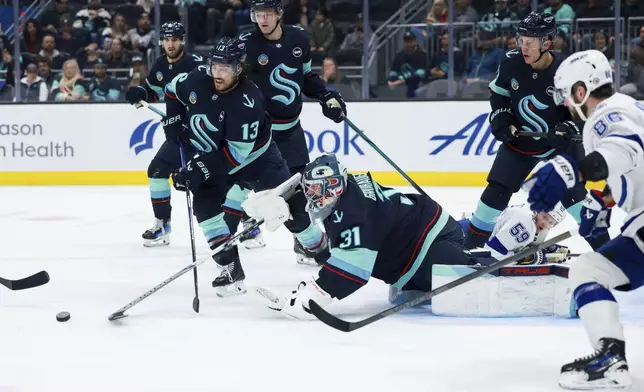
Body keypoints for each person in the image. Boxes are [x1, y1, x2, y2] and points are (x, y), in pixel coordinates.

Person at [164, 37, 328, 297]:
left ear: (239, 68)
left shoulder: (247, 100)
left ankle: (319, 249)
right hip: (215, 155)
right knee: (205, 208)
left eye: (225, 68)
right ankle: (231, 269)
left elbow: (235, 156)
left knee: (286, 208)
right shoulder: (196, 79)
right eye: (214, 66)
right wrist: (173, 119)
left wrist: (198, 170)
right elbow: (172, 90)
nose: (218, 74)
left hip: (258, 160)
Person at [523, 49, 644, 390]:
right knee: (591, 268)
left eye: (566, 95)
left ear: (581, 91)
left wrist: (572, 171)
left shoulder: (607, 113)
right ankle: (611, 359)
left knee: (588, 271)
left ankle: (610, 359)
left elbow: (624, 149)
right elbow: (634, 164)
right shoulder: (631, 106)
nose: (565, 105)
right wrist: (602, 201)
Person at [251, 153, 495, 319]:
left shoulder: (355, 215)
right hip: (419, 235)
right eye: (308, 190)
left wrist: (312, 296)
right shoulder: (345, 192)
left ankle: (500, 253)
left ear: (333, 185)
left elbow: (352, 272)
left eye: (315, 189)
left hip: (429, 243)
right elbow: (330, 251)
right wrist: (292, 210)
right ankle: (467, 232)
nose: (310, 195)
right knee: (410, 287)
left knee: (456, 272)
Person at [463, 11, 596, 251]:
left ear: (546, 43)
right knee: (496, 190)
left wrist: (569, 127)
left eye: (530, 42)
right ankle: (469, 248)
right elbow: (499, 95)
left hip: (560, 147)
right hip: (521, 144)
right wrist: (501, 119)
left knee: (573, 193)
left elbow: (585, 113)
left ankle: (606, 249)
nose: (523, 47)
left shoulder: (567, 72)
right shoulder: (511, 62)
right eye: (521, 40)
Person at [236, 0, 347, 263]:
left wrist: (325, 95)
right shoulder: (245, 44)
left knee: (298, 188)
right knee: (247, 181)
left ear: (279, 14)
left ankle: (301, 241)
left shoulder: (298, 38)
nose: (262, 20)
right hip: (260, 134)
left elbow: (306, 76)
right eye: (257, 14)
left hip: (291, 129)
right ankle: (245, 220)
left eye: (267, 14)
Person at [125, 22, 204, 247]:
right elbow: (152, 91)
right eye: (167, 39)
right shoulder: (160, 64)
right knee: (157, 170)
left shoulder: (195, 65)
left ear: (183, 41)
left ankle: (248, 225)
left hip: (204, 132)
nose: (170, 44)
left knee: (215, 178)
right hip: (179, 135)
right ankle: (162, 224)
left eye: (175, 39)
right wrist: (140, 93)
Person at [459, 201, 570, 264]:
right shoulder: (526, 224)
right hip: (462, 237)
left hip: (468, 228)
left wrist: (546, 247)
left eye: (551, 222)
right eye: (545, 217)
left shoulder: (530, 214)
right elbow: (493, 253)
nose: (545, 224)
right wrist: (525, 257)